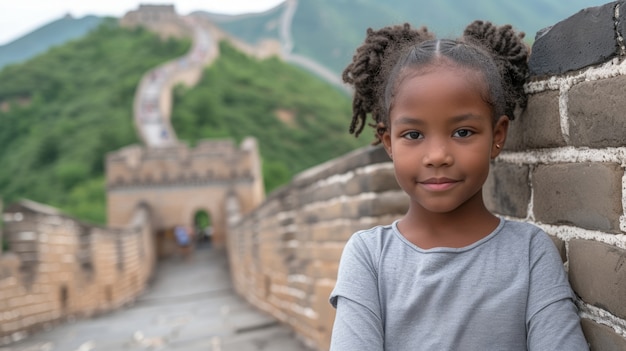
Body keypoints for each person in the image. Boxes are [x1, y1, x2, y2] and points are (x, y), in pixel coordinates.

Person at [329, 21, 589, 350]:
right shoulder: (368, 257)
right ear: (388, 142)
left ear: (497, 136)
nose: (437, 156)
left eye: (463, 132)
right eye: (413, 135)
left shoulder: (529, 253)